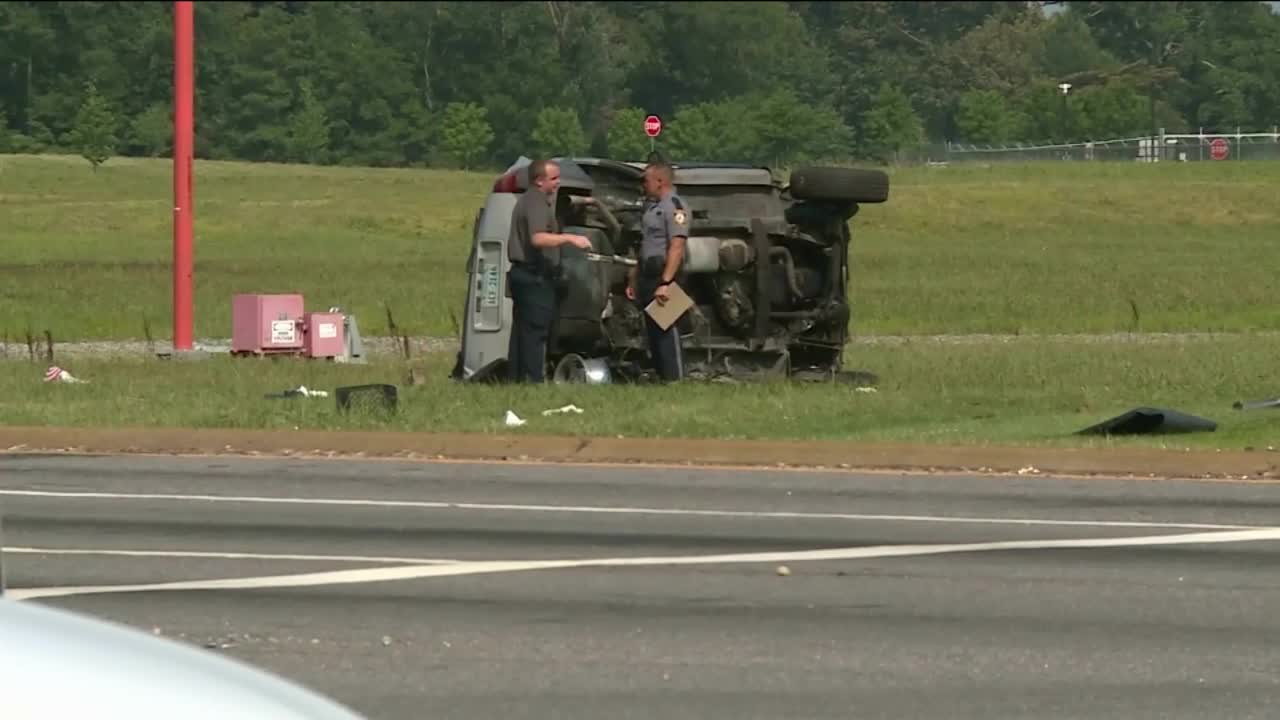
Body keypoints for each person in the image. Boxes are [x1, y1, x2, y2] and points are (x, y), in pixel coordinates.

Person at [506, 159, 593, 383]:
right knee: (536, 332)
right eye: (553, 178)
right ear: (538, 180)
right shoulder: (535, 202)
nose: (558, 182)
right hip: (534, 277)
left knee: (523, 331)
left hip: (525, 276)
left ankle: (517, 379)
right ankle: (533, 381)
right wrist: (570, 238)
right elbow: (537, 238)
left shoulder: (533, 201)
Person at [626, 160, 689, 382]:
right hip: (648, 272)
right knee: (652, 329)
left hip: (664, 273)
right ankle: (661, 375)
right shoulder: (653, 208)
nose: (644, 184)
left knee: (667, 327)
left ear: (660, 181)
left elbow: (677, 245)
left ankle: (675, 378)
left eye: (646, 180)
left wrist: (666, 282)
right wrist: (634, 277)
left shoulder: (675, 206)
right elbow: (644, 245)